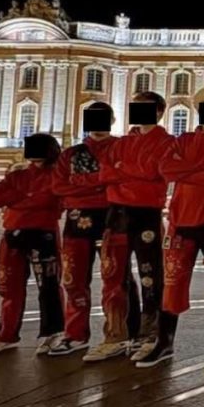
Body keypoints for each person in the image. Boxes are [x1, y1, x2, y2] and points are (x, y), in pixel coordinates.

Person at [134, 86, 204, 367]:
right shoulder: (184, 139)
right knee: (172, 284)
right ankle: (164, 342)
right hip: (180, 220)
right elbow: (167, 169)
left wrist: (190, 169)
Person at [84, 92, 174, 363]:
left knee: (150, 277)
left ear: (159, 112)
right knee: (113, 276)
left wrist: (123, 171)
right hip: (116, 214)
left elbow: (155, 171)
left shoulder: (167, 142)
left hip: (147, 213)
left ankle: (150, 336)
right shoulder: (121, 143)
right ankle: (116, 335)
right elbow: (105, 173)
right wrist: (134, 171)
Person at [49, 102, 127, 356]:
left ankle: (116, 335)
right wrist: (100, 182)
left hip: (112, 217)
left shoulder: (121, 148)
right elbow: (59, 187)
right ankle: (75, 334)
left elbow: (121, 177)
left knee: (114, 279)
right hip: (77, 220)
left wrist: (81, 182)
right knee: (73, 278)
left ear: (112, 120)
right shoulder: (71, 153)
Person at [0, 134, 64, 356]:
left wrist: (17, 199)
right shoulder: (18, 175)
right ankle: (6, 335)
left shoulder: (57, 176)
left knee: (49, 287)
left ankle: (52, 333)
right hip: (13, 236)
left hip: (43, 235)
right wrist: (29, 196)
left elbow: (50, 201)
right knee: (9, 286)